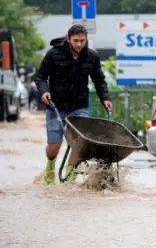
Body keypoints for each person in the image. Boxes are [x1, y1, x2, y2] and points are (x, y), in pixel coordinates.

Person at [32, 25, 112, 184]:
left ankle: (69, 179)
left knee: (79, 143)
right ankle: (50, 165)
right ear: (68, 39)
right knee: (54, 145)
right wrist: (44, 91)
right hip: (55, 105)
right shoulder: (54, 54)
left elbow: (99, 80)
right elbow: (40, 77)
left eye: (82, 40)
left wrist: (105, 98)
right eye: (76, 40)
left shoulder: (92, 56)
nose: (79, 44)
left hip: (79, 106)